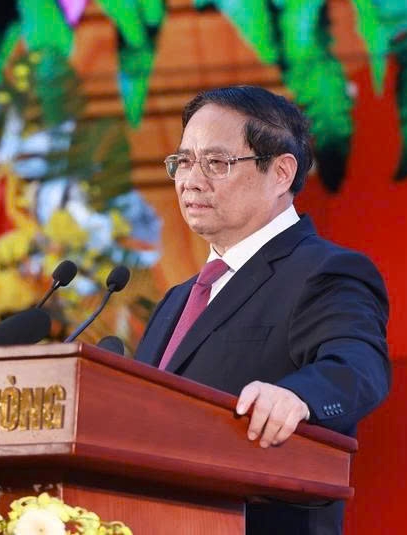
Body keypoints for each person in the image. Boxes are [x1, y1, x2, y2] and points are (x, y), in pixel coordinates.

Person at [133, 86, 391, 534]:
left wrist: (297, 396)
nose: (190, 180)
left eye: (216, 163)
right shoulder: (177, 299)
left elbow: (358, 366)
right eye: (184, 162)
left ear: (280, 172)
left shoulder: (325, 271)